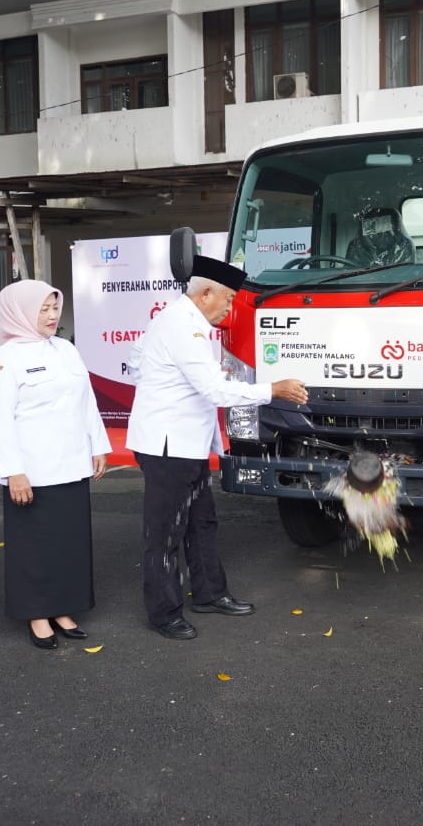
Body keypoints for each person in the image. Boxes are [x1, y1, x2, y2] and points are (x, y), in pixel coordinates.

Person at [126, 257, 308, 640]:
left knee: (202, 522)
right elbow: (214, 390)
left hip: (184, 443)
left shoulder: (181, 322)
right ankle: (164, 613)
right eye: (227, 299)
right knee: (165, 533)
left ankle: (209, 593)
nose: (229, 308)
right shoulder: (180, 325)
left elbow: (140, 362)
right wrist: (272, 390)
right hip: (167, 446)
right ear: (205, 293)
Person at [0, 281, 110, 650]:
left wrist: (98, 445)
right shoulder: (4, 359)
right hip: (32, 470)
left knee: (69, 544)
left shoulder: (66, 349)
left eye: (54, 307)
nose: (52, 315)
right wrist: (13, 471)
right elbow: (1, 420)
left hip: (71, 464)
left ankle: (63, 609)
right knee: (35, 547)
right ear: (19, 312)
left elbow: (86, 400)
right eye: (42, 309)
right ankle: (38, 615)